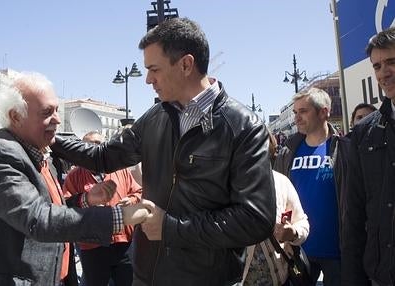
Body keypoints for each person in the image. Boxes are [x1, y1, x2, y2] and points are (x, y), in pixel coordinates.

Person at [52, 17, 276, 286]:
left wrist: (171, 228)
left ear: (186, 64)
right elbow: (102, 157)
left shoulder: (242, 127)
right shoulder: (155, 118)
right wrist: (49, 138)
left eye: (154, 69)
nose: (148, 80)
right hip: (147, 277)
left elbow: (255, 220)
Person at [0, 72, 148, 286]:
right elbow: (39, 219)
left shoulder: (38, 154)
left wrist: (85, 200)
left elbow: (53, 207)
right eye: (47, 112)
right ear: (16, 116)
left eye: (57, 110)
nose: (57, 119)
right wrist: (120, 217)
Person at [273, 87, 348, 286]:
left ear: (324, 112)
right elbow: (281, 198)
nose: (297, 118)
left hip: (337, 252)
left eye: (303, 111)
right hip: (298, 249)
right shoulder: (287, 152)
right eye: (295, 112)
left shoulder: (344, 148)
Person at [341, 27, 395, 286]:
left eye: (392, 62)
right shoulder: (364, 132)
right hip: (381, 274)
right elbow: (355, 214)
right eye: (377, 66)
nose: (384, 72)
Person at [63, 131, 142, 286]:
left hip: (123, 243)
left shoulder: (121, 170)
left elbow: (138, 191)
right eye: (89, 144)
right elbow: (64, 206)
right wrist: (88, 203)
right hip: (92, 246)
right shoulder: (74, 176)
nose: (94, 147)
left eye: (98, 143)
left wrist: (130, 200)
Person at [241, 133, 310, 285]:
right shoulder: (226, 186)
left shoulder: (281, 182)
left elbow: (302, 222)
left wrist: (293, 233)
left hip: (280, 278)